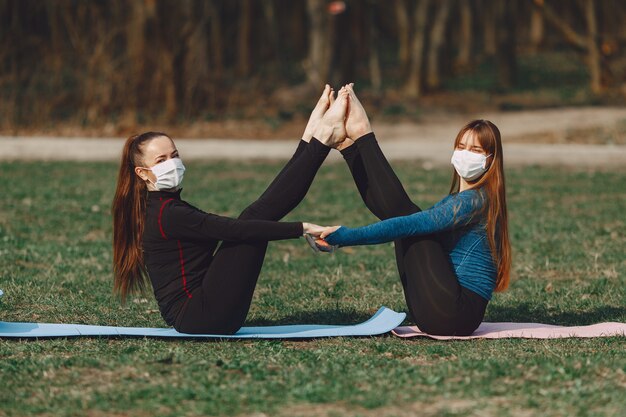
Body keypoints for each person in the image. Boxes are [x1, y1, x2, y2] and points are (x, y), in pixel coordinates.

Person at [111, 85, 350, 334]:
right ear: (142, 173)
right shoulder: (168, 214)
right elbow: (233, 229)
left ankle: (314, 139)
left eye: (174, 155)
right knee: (250, 223)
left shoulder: (163, 207)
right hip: (200, 316)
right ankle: (318, 141)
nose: (172, 164)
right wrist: (303, 228)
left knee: (253, 220)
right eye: (161, 161)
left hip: (200, 312)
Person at [319, 84, 511, 336]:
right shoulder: (459, 199)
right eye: (461, 147)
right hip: (436, 310)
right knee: (405, 217)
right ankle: (351, 145)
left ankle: (362, 137)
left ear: (490, 161)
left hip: (455, 313)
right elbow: (398, 217)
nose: (465, 154)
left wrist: (344, 237)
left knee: (409, 217)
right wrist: (349, 150)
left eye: (476, 150)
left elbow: (408, 222)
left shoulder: (475, 201)